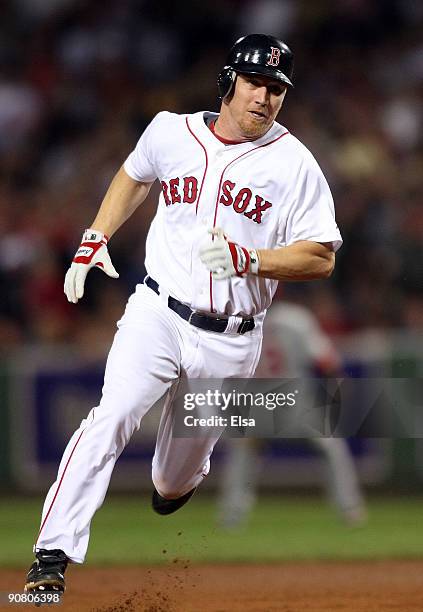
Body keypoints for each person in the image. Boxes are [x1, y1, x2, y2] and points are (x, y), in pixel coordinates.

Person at [24, 33, 342, 595]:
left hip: (231, 341)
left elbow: (320, 257)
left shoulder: (295, 163)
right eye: (254, 83)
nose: (264, 99)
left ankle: (178, 485)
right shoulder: (172, 130)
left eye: (276, 89)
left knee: (171, 481)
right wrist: (96, 235)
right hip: (158, 311)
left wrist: (252, 259)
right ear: (228, 82)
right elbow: (133, 173)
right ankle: (51, 556)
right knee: (113, 414)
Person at [217, 300, 367, 529]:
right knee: (332, 449)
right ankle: (350, 510)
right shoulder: (295, 318)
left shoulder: (239, 319)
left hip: (256, 407)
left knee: (243, 454)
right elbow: (327, 362)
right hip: (295, 405)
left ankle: (231, 517)